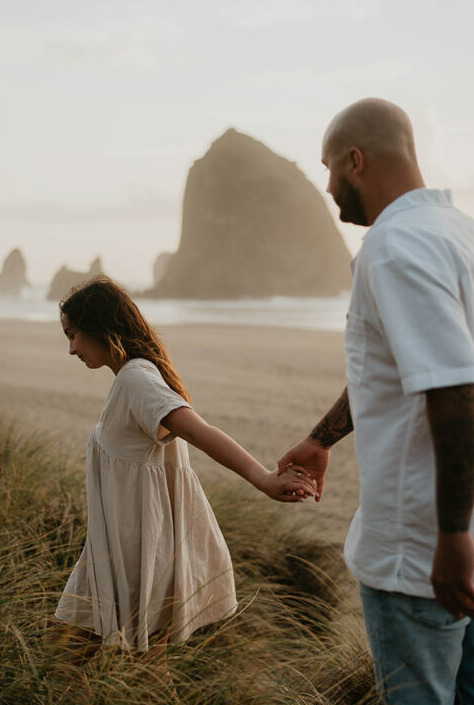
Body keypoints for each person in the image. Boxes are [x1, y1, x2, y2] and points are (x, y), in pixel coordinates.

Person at [279, 98, 474, 705]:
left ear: (355, 158)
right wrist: (323, 438)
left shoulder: (391, 248)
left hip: (425, 551)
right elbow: (403, 367)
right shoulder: (467, 235)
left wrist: (449, 534)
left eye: (328, 168)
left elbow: (456, 388)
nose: (327, 188)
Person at [53, 275, 315, 675]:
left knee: (104, 664)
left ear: (101, 328)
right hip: (114, 551)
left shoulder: (137, 379)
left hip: (139, 555)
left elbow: (199, 430)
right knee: (84, 660)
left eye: (73, 335)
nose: (70, 349)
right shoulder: (132, 379)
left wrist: (263, 478)